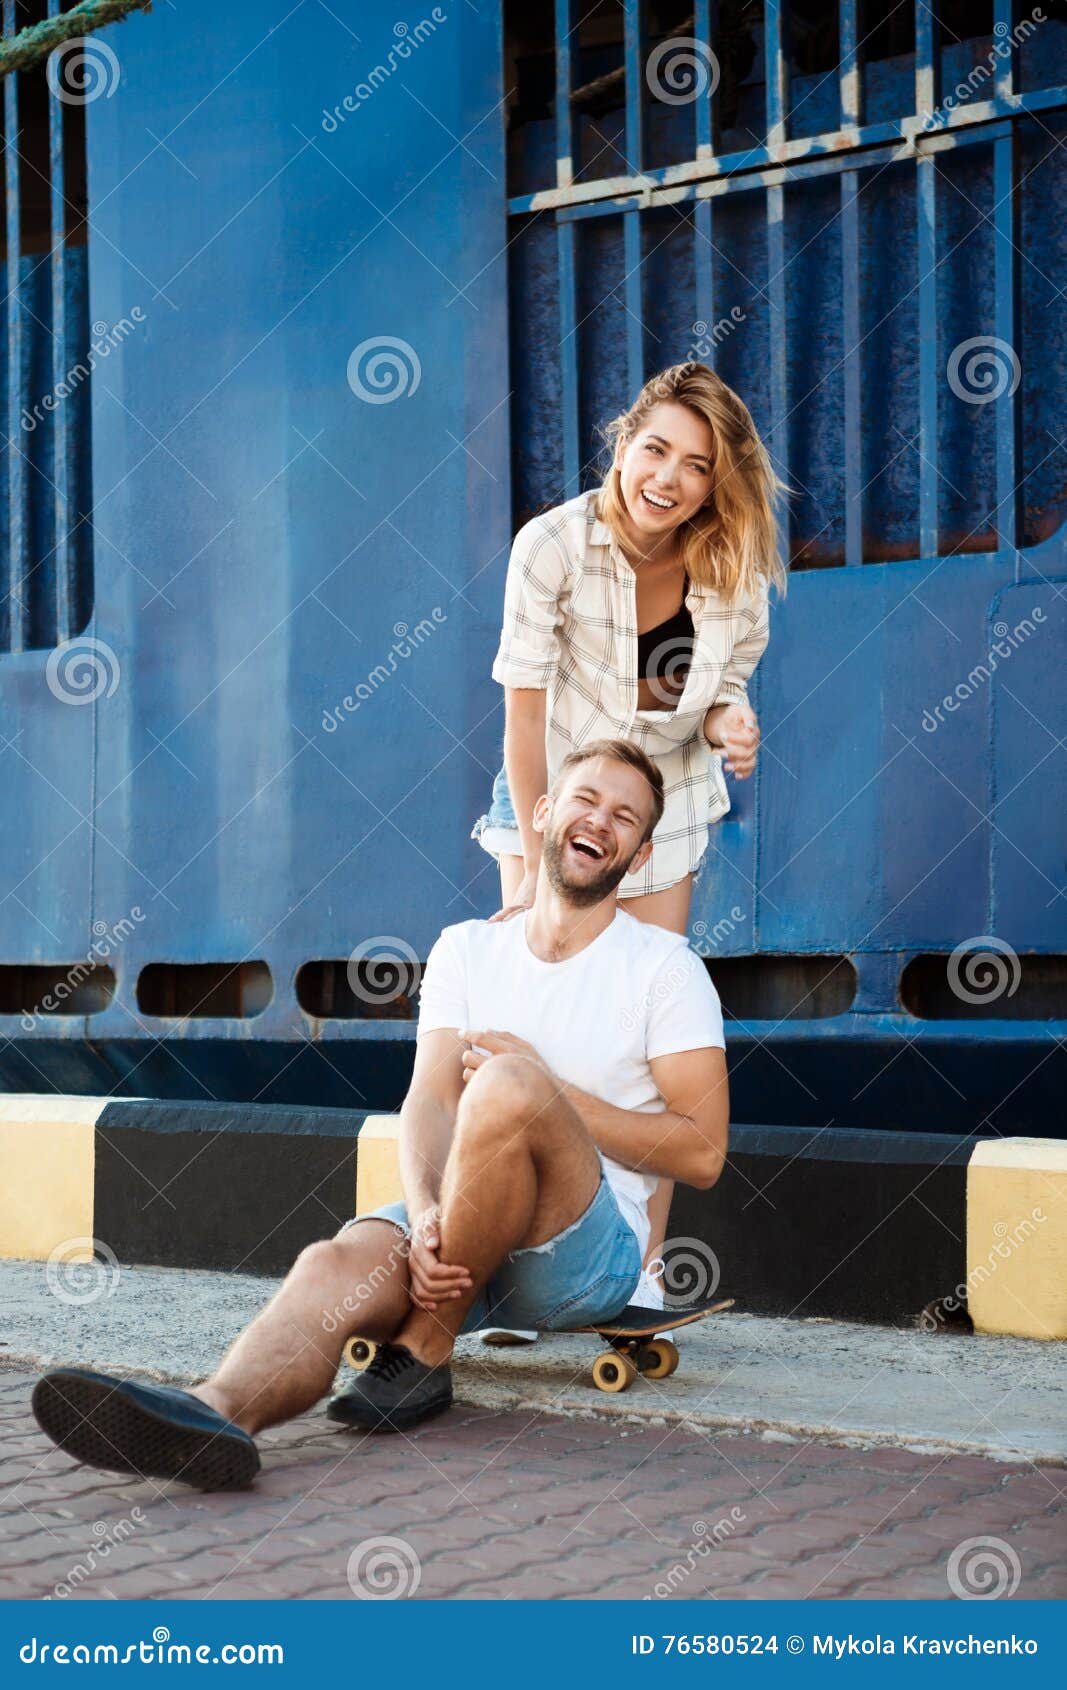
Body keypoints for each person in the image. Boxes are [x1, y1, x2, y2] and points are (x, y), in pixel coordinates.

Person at [31, 740, 729, 1490]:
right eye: (586, 799)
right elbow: (428, 1097)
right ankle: (214, 1416)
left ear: (642, 851)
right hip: (468, 1234)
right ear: (543, 811)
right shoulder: (467, 948)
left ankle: (426, 1349)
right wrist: (427, 1212)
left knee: (509, 1085)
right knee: (332, 1263)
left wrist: (551, 1092)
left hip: (579, 1261)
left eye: (625, 817)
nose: (601, 821)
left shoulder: (664, 969)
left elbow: (701, 1154)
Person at [472, 360, 785, 1322]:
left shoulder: (730, 561)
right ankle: (516, 1264)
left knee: (642, 1034)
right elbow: (524, 722)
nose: (670, 479)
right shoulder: (552, 546)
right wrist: (531, 869)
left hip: (671, 805)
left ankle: (637, 1277)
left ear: (716, 478)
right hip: (557, 799)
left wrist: (732, 722)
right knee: (528, 1029)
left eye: (697, 465)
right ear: (621, 442)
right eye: (656, 449)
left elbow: (723, 684)